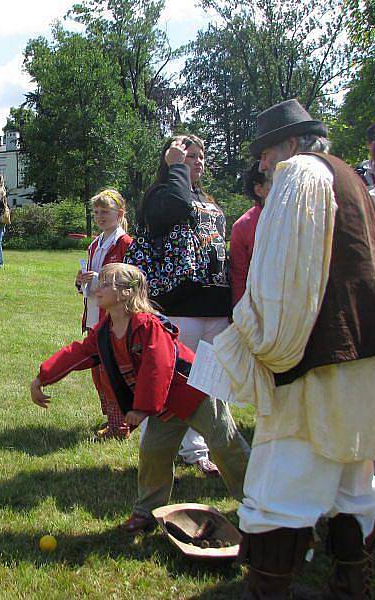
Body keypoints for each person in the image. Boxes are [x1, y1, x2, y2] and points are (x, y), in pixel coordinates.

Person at [213, 99, 375, 598]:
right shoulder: (349, 176)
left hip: (314, 360)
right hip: (361, 355)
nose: (261, 164)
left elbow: (282, 280)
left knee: (277, 488)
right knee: (353, 482)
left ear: (289, 145)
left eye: (265, 151)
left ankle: (269, 591)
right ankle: (350, 585)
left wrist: (263, 342)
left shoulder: (300, 176)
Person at [31, 263, 250, 534]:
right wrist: (43, 377)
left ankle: (257, 505)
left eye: (106, 283)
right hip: (162, 404)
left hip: (195, 393)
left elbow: (157, 367)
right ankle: (146, 514)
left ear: (125, 292)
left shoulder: (148, 325)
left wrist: (143, 408)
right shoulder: (106, 330)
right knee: (153, 455)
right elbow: (79, 353)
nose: (97, 287)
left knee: (224, 444)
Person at [136, 134, 230, 477]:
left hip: (215, 304)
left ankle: (201, 449)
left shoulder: (207, 199)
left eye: (201, 155)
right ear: (172, 158)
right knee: (170, 379)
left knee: (210, 382)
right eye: (190, 155)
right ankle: (157, 449)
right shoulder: (161, 194)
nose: (198, 160)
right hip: (179, 305)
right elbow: (172, 211)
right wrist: (176, 168)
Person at [75, 189, 132, 440]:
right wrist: (81, 281)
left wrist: (98, 280)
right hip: (93, 314)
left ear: (119, 214)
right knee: (98, 369)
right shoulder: (95, 244)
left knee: (113, 370)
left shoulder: (125, 244)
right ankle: (112, 417)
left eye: (105, 212)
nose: (99, 216)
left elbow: (128, 281)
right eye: (96, 212)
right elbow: (89, 280)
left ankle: (120, 424)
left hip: (113, 316)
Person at [229, 162, 268, 308]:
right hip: (259, 308)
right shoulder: (243, 226)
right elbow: (239, 275)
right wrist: (239, 312)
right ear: (259, 189)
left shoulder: (298, 215)